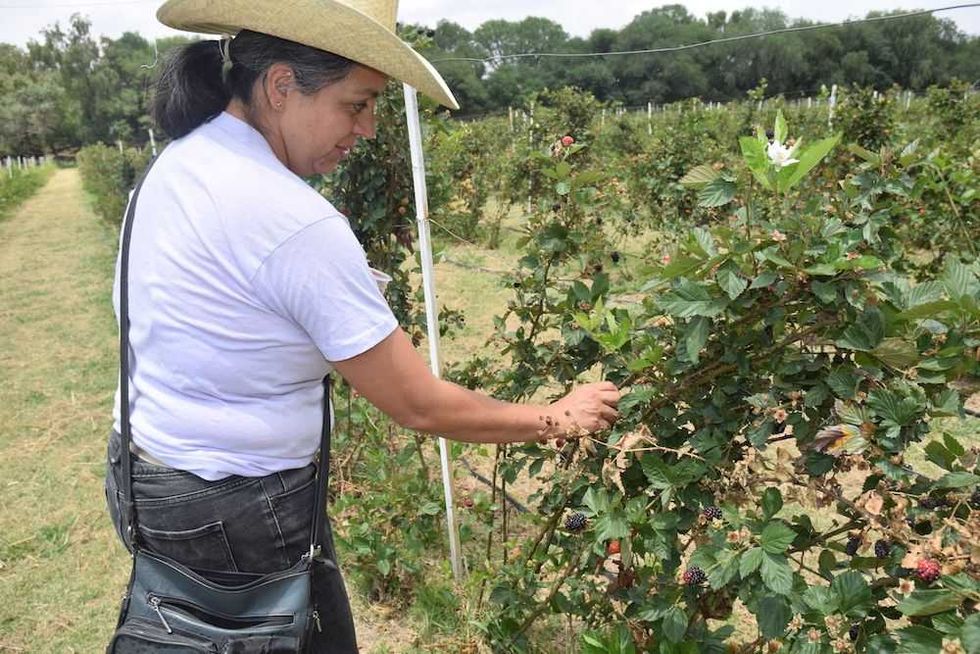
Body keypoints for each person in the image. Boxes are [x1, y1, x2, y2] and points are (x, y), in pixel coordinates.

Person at [104, 0, 621, 651]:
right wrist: (558, 418)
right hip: (237, 510)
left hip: (145, 476)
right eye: (357, 104)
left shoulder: (173, 168)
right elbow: (419, 406)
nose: (370, 127)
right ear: (282, 85)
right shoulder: (291, 219)